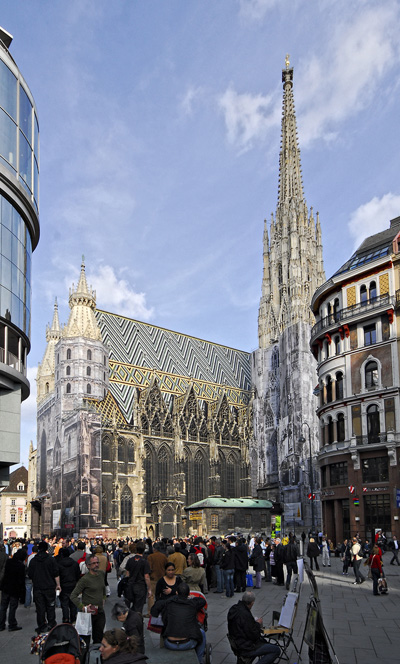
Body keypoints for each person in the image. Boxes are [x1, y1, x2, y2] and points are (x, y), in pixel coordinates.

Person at [228, 590, 280, 664]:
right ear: (252, 603)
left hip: (236, 644)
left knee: (265, 643)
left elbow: (244, 627)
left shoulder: (233, 609)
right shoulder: (245, 614)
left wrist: (253, 624)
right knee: (275, 650)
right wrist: (258, 624)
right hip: (246, 647)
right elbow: (254, 635)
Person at [161, 582, 206, 664]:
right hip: (187, 643)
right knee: (202, 633)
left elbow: (164, 620)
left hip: (169, 643)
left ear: (177, 592)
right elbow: (202, 601)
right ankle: (199, 661)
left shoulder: (169, 604)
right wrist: (192, 597)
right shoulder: (192, 604)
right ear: (188, 593)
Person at [70, 554, 106, 644]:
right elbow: (73, 596)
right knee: (85, 641)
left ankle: (97, 656)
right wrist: (82, 607)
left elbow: (103, 588)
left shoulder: (101, 574)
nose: (96, 565)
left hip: (100, 613)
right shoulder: (85, 579)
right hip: (87, 615)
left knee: (99, 639)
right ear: (88, 566)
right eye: (93, 563)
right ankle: (84, 657)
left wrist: (103, 599)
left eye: (97, 563)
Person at [28, 541, 61, 634]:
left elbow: (30, 574)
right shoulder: (50, 559)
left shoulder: (34, 560)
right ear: (47, 548)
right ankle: (51, 624)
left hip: (38, 587)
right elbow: (56, 573)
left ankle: (41, 625)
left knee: (40, 608)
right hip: (49, 586)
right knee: (50, 606)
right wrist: (58, 585)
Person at [0, 548, 26, 631]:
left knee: (3, 606)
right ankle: (12, 624)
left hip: (6, 586)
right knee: (12, 607)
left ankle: (1, 624)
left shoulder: (9, 562)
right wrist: (22, 594)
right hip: (15, 588)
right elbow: (21, 580)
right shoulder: (21, 566)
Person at [125, 542, 152, 614]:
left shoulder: (130, 560)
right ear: (143, 550)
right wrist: (149, 589)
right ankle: (137, 622)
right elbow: (146, 577)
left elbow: (127, 574)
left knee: (128, 607)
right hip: (140, 586)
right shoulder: (144, 562)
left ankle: (129, 620)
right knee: (138, 608)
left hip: (130, 585)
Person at [57, 547, 80, 623]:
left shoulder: (59, 564)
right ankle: (73, 618)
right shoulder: (75, 563)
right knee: (73, 603)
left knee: (64, 604)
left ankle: (65, 618)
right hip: (73, 584)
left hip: (63, 585)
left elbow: (57, 575)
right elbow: (78, 575)